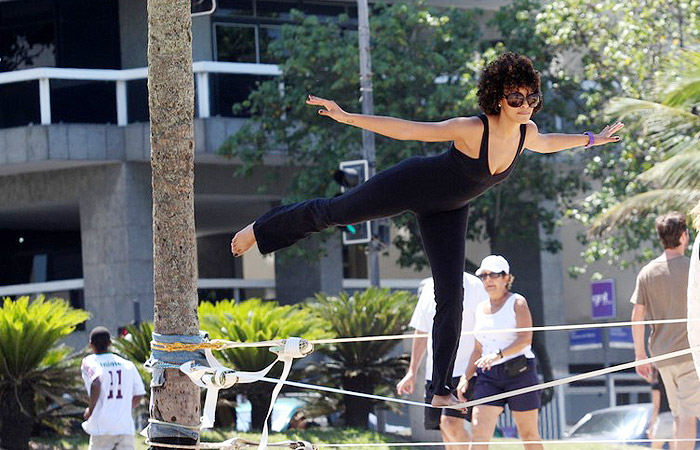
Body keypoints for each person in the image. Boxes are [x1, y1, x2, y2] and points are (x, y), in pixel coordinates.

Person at [231, 52, 624, 407]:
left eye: (531, 99)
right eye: (516, 99)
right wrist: (347, 116)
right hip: (412, 183)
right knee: (333, 212)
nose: (525, 106)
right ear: (497, 98)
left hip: (449, 211)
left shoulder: (527, 133)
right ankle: (260, 232)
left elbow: (551, 141)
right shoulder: (473, 128)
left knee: (451, 298)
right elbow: (408, 129)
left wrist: (593, 139)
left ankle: (440, 390)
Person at [457, 255, 542, 450]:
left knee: (529, 434)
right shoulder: (480, 309)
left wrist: (498, 354)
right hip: (489, 376)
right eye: (483, 276)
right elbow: (478, 350)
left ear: (506, 278)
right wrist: (465, 377)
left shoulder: (518, 302)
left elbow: (525, 340)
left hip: (520, 372)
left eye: (493, 275)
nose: (488, 280)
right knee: (478, 433)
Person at [631, 211, 700, 450]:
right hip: (690, 354)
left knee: (679, 416)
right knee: (688, 418)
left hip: (662, 357)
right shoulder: (693, 268)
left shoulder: (647, 272)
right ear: (683, 236)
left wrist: (640, 355)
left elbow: (637, 315)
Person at [396, 273, 489, 448]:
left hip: (464, 371)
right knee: (444, 431)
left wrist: (470, 373)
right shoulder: (428, 288)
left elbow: (484, 330)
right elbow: (421, 333)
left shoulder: (475, 286)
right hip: (436, 374)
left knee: (450, 423)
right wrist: (412, 371)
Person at [81, 326, 146, 450]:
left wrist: (90, 410)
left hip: (102, 427)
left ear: (90, 345)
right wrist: (123, 406)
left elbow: (96, 383)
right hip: (125, 427)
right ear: (110, 343)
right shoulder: (128, 365)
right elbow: (139, 394)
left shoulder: (89, 361)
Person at [647, 368, 672, 449]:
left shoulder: (656, 385)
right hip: (677, 419)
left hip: (663, 419)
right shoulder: (673, 381)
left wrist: (651, 427)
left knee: (655, 448)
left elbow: (656, 406)